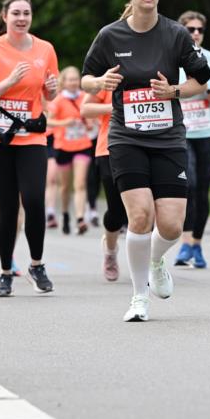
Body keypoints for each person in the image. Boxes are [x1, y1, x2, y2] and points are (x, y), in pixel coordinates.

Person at [81, 0, 210, 322]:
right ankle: (139, 297)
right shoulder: (110, 35)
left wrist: (175, 91)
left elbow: (202, 80)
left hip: (168, 138)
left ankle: (155, 260)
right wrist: (100, 83)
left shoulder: (176, 34)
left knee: (171, 226)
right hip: (127, 137)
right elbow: (86, 78)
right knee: (139, 216)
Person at [0, 0, 58, 298]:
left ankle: (37, 265)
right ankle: (5, 272)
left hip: (30, 135)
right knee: (7, 206)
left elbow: (49, 96)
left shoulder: (45, 49)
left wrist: (52, 89)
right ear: (5, 17)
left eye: (26, 13)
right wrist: (8, 82)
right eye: (16, 13)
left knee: (33, 199)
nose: (22, 18)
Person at [172, 11, 210, 270]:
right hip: (181, 133)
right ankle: (185, 243)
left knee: (202, 188)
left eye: (200, 30)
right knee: (189, 185)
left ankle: (197, 243)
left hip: (208, 133)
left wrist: (204, 87)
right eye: (190, 29)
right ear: (181, 31)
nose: (195, 33)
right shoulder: (172, 59)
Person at [81, 85, 127, 281]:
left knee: (147, 208)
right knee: (116, 210)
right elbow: (85, 109)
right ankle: (110, 250)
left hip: (149, 146)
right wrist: (116, 106)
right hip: (110, 148)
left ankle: (150, 262)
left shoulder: (156, 72)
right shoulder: (110, 76)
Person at [48, 66, 93, 235]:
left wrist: (89, 123)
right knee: (65, 186)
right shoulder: (58, 100)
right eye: (70, 79)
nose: (74, 82)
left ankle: (80, 218)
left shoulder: (85, 97)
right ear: (64, 82)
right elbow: (48, 122)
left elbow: (92, 118)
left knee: (80, 183)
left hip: (82, 145)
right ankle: (66, 214)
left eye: (76, 79)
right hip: (63, 147)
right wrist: (64, 123)